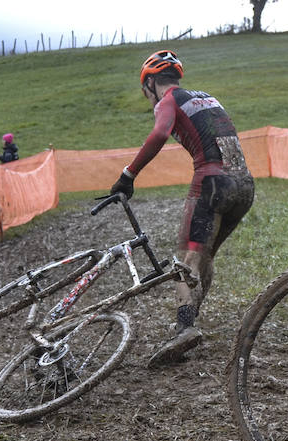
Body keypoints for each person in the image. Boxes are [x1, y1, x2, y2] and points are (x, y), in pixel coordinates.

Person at [108, 50, 254, 366]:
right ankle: (188, 321)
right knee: (204, 256)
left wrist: (128, 175)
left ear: (149, 83)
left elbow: (159, 133)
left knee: (184, 261)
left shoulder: (168, 101)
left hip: (212, 181)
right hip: (244, 183)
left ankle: (185, 328)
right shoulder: (207, 98)